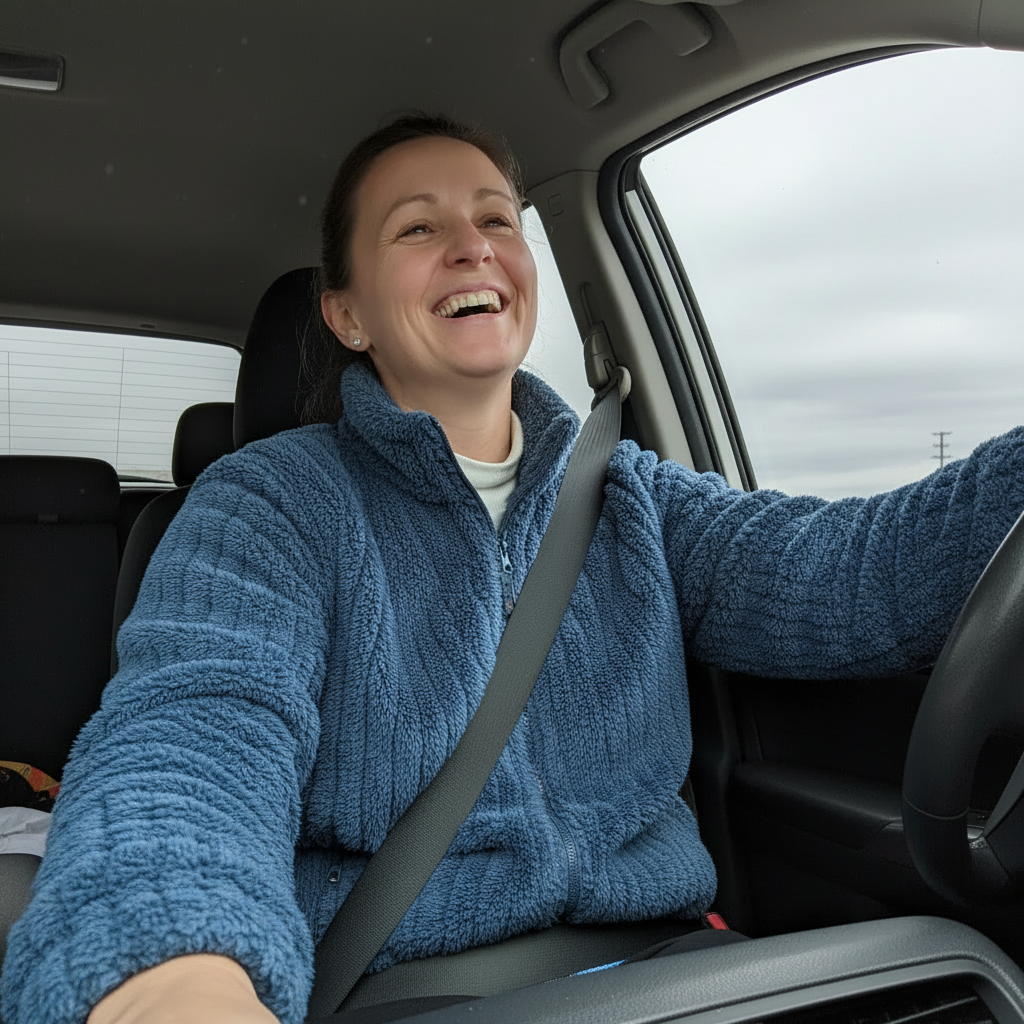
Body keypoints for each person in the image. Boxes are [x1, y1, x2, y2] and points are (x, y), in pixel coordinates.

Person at [3, 113, 1023, 1024]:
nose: (472, 245)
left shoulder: (632, 496)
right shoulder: (268, 503)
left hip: (683, 971)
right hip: (407, 988)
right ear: (348, 316)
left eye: (497, 218)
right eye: (416, 228)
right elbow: (194, 735)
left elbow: (856, 573)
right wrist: (172, 976)